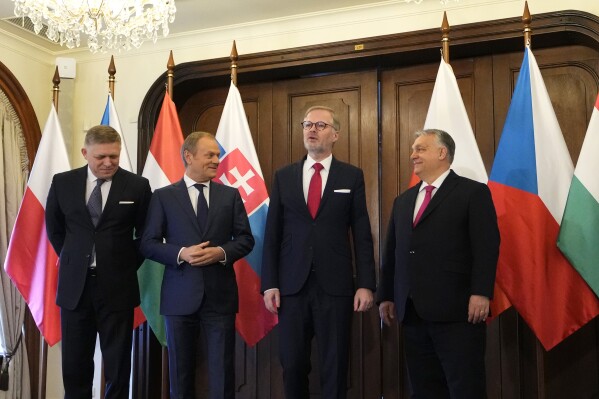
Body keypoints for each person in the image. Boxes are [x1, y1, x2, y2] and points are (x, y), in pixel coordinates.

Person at [261, 105, 376, 399]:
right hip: (291, 287)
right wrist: (269, 283)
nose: (312, 130)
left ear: (335, 134)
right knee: (293, 364)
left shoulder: (351, 176)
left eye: (320, 125)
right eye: (307, 124)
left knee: (334, 364)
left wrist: (365, 284)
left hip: (336, 287)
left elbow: (361, 234)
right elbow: (272, 234)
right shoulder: (284, 176)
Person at [378, 128, 500, 398]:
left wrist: (481, 292)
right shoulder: (403, 201)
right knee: (424, 389)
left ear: (442, 153)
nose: (413, 155)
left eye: (420, 149)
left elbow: (486, 246)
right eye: (413, 149)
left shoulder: (472, 193)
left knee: (464, 387)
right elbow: (393, 251)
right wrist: (386, 295)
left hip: (458, 311)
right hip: (412, 311)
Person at [140, 131, 254, 399]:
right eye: (210, 155)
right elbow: (148, 243)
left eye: (217, 155)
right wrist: (181, 253)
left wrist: (221, 253)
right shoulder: (164, 196)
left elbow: (246, 239)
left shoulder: (230, 195)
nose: (217, 160)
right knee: (180, 376)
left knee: (223, 374)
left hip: (220, 298)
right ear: (188, 157)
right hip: (179, 298)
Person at [45, 125, 152, 399]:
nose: (108, 163)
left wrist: (125, 265)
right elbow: (55, 229)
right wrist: (73, 260)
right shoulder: (62, 183)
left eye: (113, 157)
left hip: (117, 288)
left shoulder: (137, 186)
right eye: (101, 157)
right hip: (75, 288)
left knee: (117, 365)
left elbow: (147, 234)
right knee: (75, 364)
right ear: (85, 153)